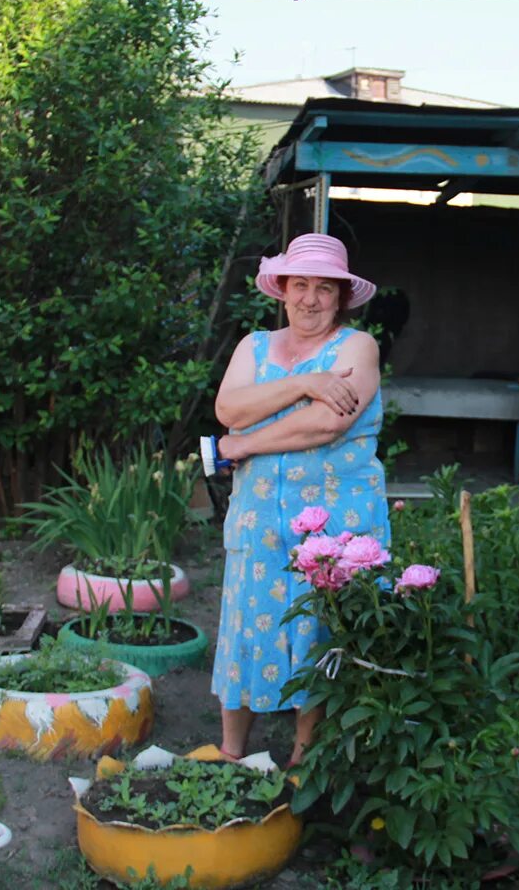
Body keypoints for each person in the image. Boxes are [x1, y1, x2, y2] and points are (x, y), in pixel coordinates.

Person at [201, 233, 389, 765]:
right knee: (244, 621)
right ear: (281, 289)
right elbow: (229, 410)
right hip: (258, 517)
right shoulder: (254, 346)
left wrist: (242, 446)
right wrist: (307, 381)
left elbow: (330, 423)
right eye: (300, 285)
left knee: (318, 632)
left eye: (324, 288)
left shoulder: (358, 347)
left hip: (333, 521)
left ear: (342, 296)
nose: (311, 299)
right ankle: (231, 750)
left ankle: (302, 764)